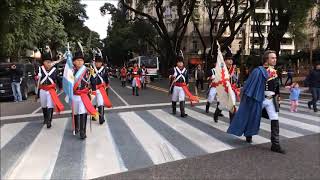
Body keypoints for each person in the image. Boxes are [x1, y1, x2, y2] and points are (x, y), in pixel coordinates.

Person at [227, 50, 285, 154]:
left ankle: (275, 144)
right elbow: (250, 85)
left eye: (275, 58)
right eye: (272, 58)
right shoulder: (258, 71)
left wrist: (278, 96)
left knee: (275, 119)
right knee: (251, 116)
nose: (275, 60)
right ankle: (248, 134)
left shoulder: (275, 71)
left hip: (271, 100)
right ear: (266, 60)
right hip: (259, 98)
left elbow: (276, 86)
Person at [72, 45, 98, 139]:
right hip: (74, 95)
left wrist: (93, 91)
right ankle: (76, 127)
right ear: (74, 62)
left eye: (81, 60)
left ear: (83, 61)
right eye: (77, 60)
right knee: (75, 113)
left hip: (84, 95)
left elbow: (93, 82)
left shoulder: (88, 71)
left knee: (83, 112)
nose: (79, 62)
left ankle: (83, 132)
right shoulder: (70, 71)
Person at [35, 47, 64, 128]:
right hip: (43, 89)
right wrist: (37, 77)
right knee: (44, 105)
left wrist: (60, 86)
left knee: (50, 105)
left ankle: (49, 121)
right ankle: (45, 118)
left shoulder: (54, 70)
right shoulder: (40, 69)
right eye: (46, 62)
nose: (48, 63)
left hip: (51, 90)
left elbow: (58, 78)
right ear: (43, 62)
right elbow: (36, 78)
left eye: (49, 62)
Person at [169, 51, 199, 117]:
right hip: (176, 86)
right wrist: (172, 76)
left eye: (181, 62)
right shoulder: (173, 69)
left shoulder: (185, 70)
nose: (180, 63)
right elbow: (169, 76)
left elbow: (187, 78)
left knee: (182, 98)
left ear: (183, 63)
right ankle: (174, 110)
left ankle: (182, 113)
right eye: (179, 62)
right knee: (174, 98)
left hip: (183, 87)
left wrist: (187, 84)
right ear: (177, 63)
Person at [213, 49, 239, 123]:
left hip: (231, 88)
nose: (230, 61)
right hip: (223, 88)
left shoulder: (234, 69)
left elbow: (235, 79)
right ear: (225, 61)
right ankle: (216, 114)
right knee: (221, 104)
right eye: (229, 59)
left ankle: (232, 121)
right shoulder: (222, 69)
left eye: (231, 60)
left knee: (232, 104)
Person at [91, 52, 112, 124]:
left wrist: (107, 86)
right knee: (93, 103)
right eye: (97, 62)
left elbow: (106, 79)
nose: (98, 64)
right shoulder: (92, 69)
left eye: (99, 62)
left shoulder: (104, 69)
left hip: (100, 89)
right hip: (93, 89)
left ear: (101, 63)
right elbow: (90, 78)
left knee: (100, 103)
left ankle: (101, 118)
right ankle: (94, 116)